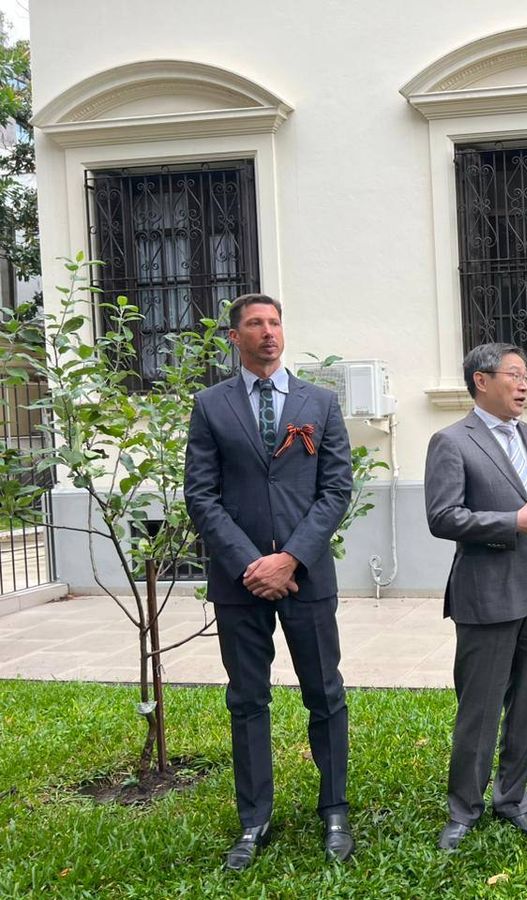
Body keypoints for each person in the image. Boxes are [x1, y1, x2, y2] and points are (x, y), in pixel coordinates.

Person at [184, 293, 355, 870]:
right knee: (247, 699)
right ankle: (254, 819)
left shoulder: (320, 402)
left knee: (325, 694)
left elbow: (336, 489)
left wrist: (291, 559)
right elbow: (201, 495)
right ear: (235, 337)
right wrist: (251, 564)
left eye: (275, 322)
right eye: (255, 324)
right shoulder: (210, 405)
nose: (268, 332)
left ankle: (335, 810)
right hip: (240, 583)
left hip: (307, 577)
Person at [424, 342, 527, 853]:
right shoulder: (451, 441)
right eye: (514, 375)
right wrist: (511, 523)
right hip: (485, 594)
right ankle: (463, 809)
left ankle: (513, 798)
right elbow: (443, 517)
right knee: (480, 709)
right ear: (482, 380)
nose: (524, 385)